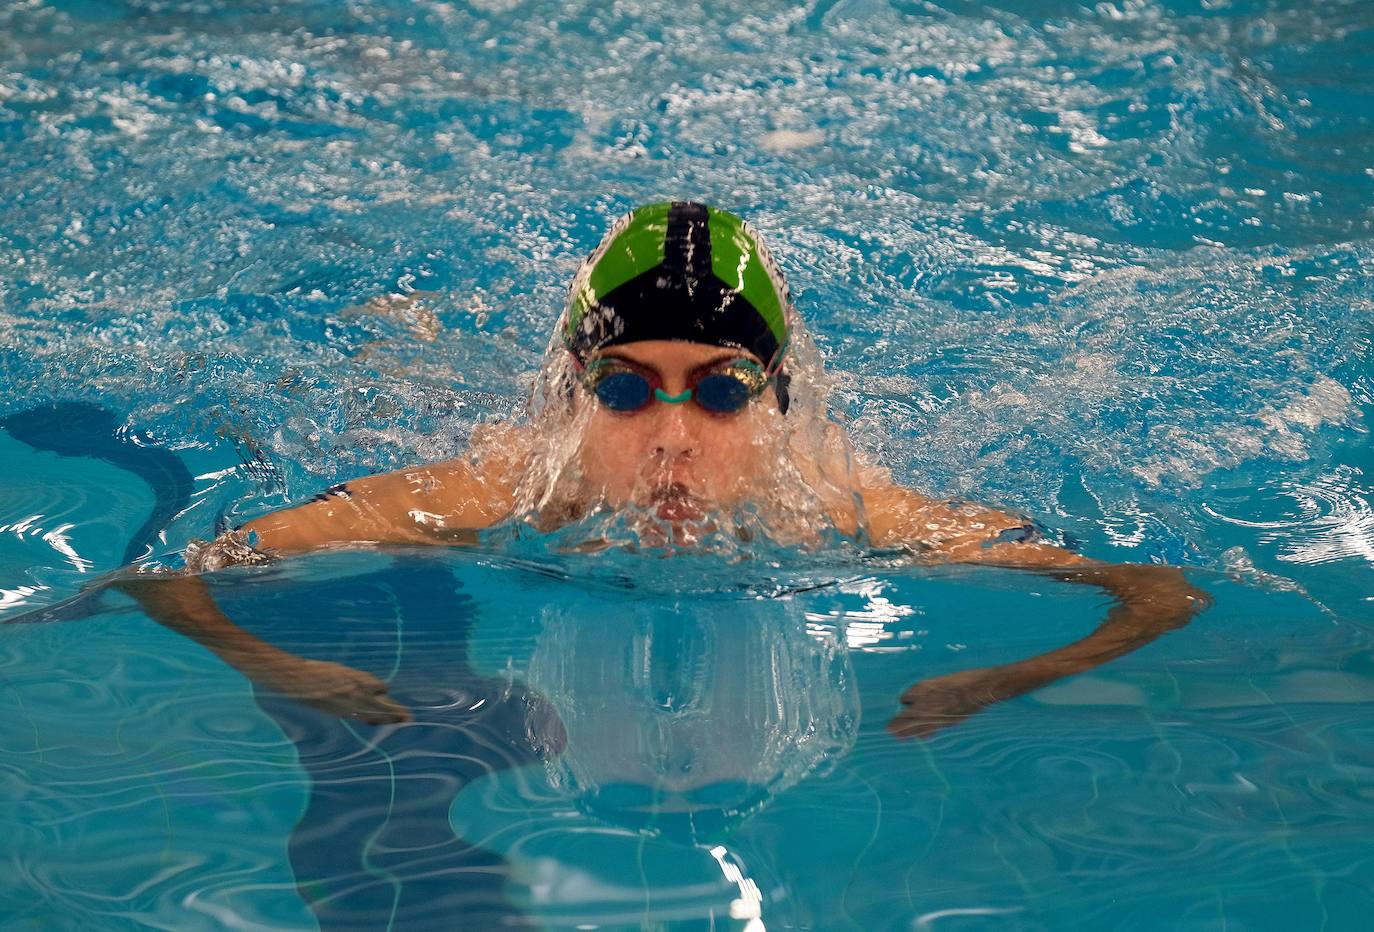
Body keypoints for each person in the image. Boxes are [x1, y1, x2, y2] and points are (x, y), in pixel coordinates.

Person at [115, 200, 1210, 738]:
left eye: (725, 390)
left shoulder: (847, 506)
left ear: (778, 403)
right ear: (574, 395)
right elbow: (176, 570)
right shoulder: (492, 495)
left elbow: (1157, 591)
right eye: (627, 389)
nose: (675, 437)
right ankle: (399, 330)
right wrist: (281, 666)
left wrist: (1000, 679)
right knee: (381, 371)